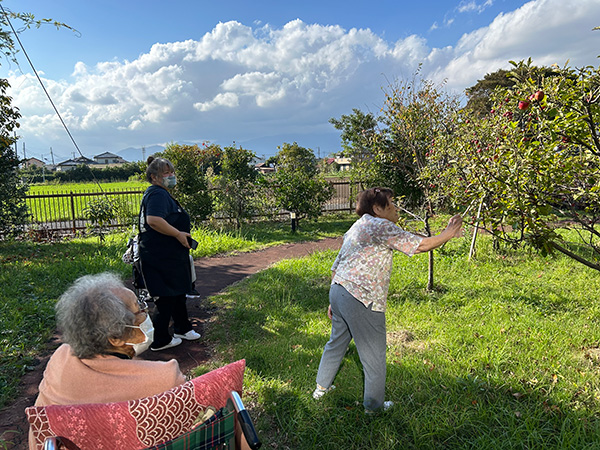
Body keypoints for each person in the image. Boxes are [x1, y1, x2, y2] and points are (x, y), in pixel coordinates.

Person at [29, 272, 251, 450]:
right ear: (115, 338)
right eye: (139, 310)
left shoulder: (59, 359)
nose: (147, 314)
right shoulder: (164, 379)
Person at [313, 187, 463, 414]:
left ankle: (321, 390)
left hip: (339, 289)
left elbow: (336, 264)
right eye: (392, 205)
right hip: (361, 296)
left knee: (336, 342)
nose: (396, 209)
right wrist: (449, 232)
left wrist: (333, 302)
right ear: (377, 209)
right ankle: (373, 408)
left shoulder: (358, 226)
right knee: (374, 354)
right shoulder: (381, 225)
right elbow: (419, 245)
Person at [138, 156, 201, 351]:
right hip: (160, 255)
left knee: (178, 292)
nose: (171, 176)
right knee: (165, 297)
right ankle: (160, 339)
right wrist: (178, 234)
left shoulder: (161, 193)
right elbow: (154, 220)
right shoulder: (157, 194)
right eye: (166, 173)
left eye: (172, 172)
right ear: (153, 177)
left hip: (170, 254)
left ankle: (183, 328)